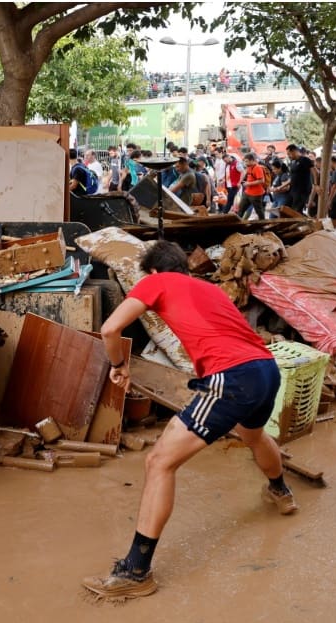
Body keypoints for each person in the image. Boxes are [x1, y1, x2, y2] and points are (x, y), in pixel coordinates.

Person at [82, 241, 292, 602]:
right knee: (253, 435)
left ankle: (136, 571)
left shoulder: (155, 281)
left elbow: (110, 330)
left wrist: (119, 366)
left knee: (159, 462)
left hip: (232, 376)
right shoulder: (209, 288)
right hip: (265, 369)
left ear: (152, 271)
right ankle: (281, 493)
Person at [233, 152, 268, 219]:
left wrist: (248, 183)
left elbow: (261, 180)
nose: (245, 163)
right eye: (245, 161)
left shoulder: (257, 168)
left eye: (247, 161)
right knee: (241, 209)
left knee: (259, 211)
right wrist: (243, 182)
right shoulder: (249, 167)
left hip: (256, 194)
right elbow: (249, 177)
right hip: (247, 192)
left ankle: (262, 225)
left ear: (252, 160)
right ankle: (237, 224)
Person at [283, 143, 314, 214]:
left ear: (294, 151)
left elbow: (314, 172)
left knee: (296, 211)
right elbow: (292, 178)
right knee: (286, 208)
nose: (288, 156)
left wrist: (315, 184)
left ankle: (304, 223)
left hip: (302, 191)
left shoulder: (305, 160)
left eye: (289, 153)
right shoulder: (294, 162)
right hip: (293, 190)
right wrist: (281, 186)